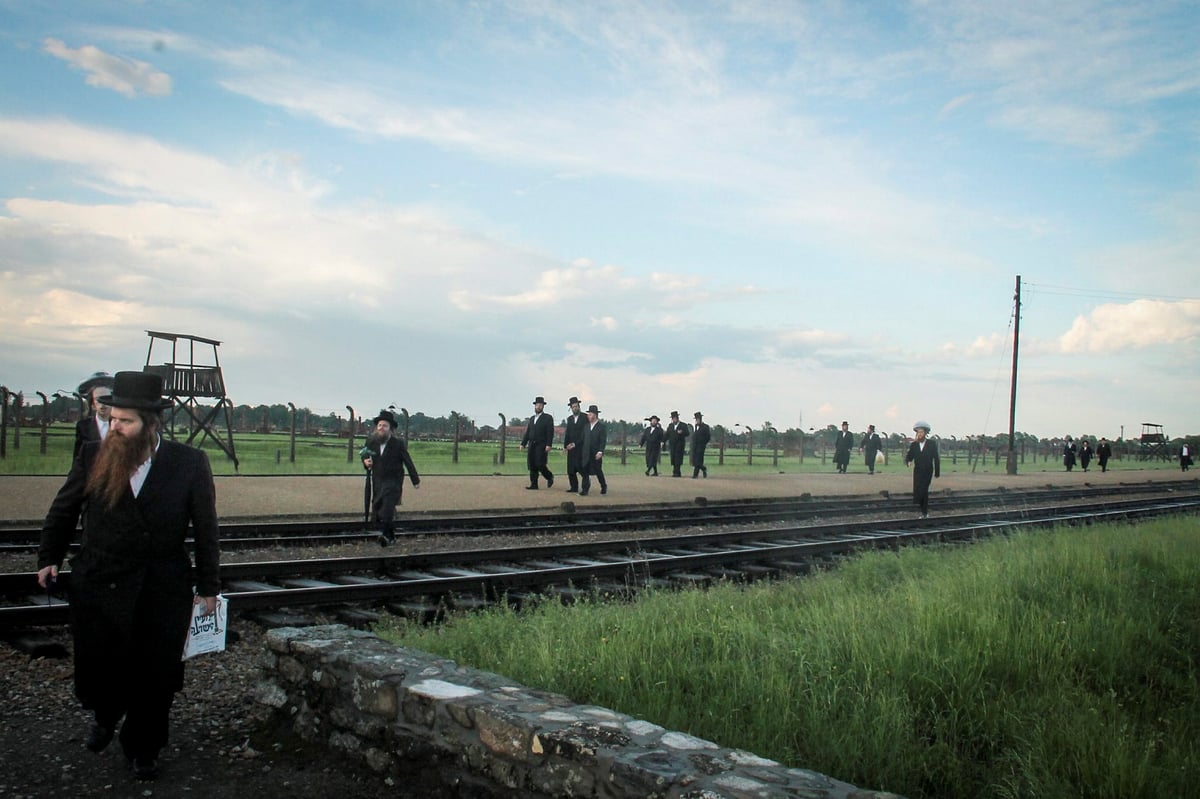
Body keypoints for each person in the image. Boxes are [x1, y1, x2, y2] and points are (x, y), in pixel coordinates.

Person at [37, 371, 220, 781]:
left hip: (161, 586)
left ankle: (144, 747)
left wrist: (209, 586)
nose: (114, 427)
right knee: (102, 667)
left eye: (124, 421)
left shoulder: (188, 464)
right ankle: (105, 713)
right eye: (112, 418)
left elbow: (206, 529)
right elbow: (65, 509)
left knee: (156, 674)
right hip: (101, 581)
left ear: (151, 424)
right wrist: (49, 556)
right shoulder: (92, 454)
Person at [360, 409, 420, 545]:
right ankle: (391, 536)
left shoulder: (397, 444)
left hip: (393, 481)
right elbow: (364, 453)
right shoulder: (371, 441)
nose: (381, 428)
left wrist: (415, 480)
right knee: (380, 509)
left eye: (385, 426)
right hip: (377, 481)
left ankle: (385, 536)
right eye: (380, 425)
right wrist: (365, 461)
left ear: (390, 429)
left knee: (387, 508)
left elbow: (408, 461)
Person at [72, 371, 115, 460]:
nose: (103, 404)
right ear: (92, 404)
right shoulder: (84, 426)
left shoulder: (120, 425)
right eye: (98, 400)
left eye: (106, 398)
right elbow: (78, 457)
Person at [904, 420, 940, 518]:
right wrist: (908, 461)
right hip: (918, 471)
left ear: (925, 433)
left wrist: (937, 472)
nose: (920, 434)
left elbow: (936, 458)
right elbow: (909, 456)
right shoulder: (914, 445)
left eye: (921, 432)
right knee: (918, 490)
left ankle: (925, 512)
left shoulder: (931, 444)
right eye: (918, 432)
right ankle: (922, 510)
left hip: (928, 470)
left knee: (924, 490)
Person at [520, 396, 555, 489]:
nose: (538, 407)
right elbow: (528, 432)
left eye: (540, 405)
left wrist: (549, 444)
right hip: (532, 444)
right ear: (535, 406)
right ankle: (534, 484)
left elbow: (550, 432)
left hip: (542, 444)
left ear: (543, 406)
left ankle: (549, 476)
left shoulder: (548, 418)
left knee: (540, 464)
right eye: (537, 405)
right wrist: (523, 443)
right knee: (532, 464)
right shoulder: (532, 419)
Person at [579, 404, 607, 496]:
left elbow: (603, 441)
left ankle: (603, 485)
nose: (588, 416)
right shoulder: (586, 426)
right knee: (585, 471)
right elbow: (582, 439)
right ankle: (585, 489)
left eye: (590, 414)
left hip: (596, 453)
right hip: (586, 453)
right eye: (588, 414)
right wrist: (574, 444)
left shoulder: (601, 427)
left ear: (595, 415)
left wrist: (600, 451)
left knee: (598, 471)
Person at [562, 397, 585, 493]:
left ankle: (585, 487)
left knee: (581, 469)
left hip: (581, 447)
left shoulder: (585, 417)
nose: (575, 408)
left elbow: (585, 434)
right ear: (571, 408)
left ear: (579, 407)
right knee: (570, 470)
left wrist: (575, 444)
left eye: (576, 406)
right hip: (571, 448)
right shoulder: (570, 419)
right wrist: (565, 446)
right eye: (573, 407)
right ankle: (574, 487)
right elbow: (568, 433)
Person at [664, 411, 688, 477]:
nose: (673, 420)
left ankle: (676, 472)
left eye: (674, 418)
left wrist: (682, 432)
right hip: (672, 445)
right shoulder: (670, 426)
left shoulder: (683, 425)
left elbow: (687, 433)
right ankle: (676, 472)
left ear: (677, 418)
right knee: (673, 458)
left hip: (680, 445)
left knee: (678, 458)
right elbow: (667, 434)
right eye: (672, 418)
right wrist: (663, 441)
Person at [690, 412, 711, 478]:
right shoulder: (696, 426)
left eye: (698, 419)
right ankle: (703, 469)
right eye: (696, 419)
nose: (697, 421)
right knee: (696, 461)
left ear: (701, 419)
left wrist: (703, 443)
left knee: (698, 460)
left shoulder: (705, 427)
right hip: (695, 446)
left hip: (701, 446)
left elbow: (708, 437)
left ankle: (695, 475)